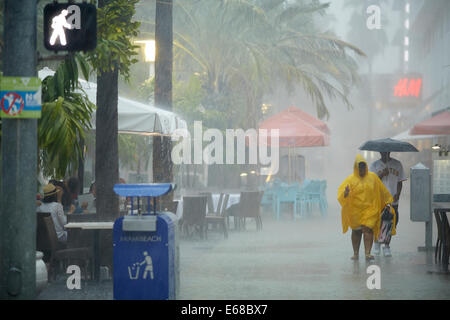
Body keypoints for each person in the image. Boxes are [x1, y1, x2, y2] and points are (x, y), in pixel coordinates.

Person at [338, 155, 393, 261]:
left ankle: (368, 253)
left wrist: (388, 202)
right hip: (355, 211)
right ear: (356, 168)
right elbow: (341, 193)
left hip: (370, 209)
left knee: (368, 229)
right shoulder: (350, 179)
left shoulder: (373, 177)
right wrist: (345, 193)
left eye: (363, 167)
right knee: (356, 231)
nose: (362, 169)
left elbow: (381, 190)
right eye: (360, 167)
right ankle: (356, 253)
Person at [370, 152, 406, 257]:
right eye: (383, 151)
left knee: (391, 222)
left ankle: (386, 245)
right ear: (380, 152)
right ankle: (376, 242)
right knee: (378, 221)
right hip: (379, 199)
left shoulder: (397, 164)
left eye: (387, 151)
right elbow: (372, 182)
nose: (385, 153)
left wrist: (398, 194)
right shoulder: (375, 165)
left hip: (393, 199)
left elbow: (400, 181)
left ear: (390, 151)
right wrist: (381, 174)